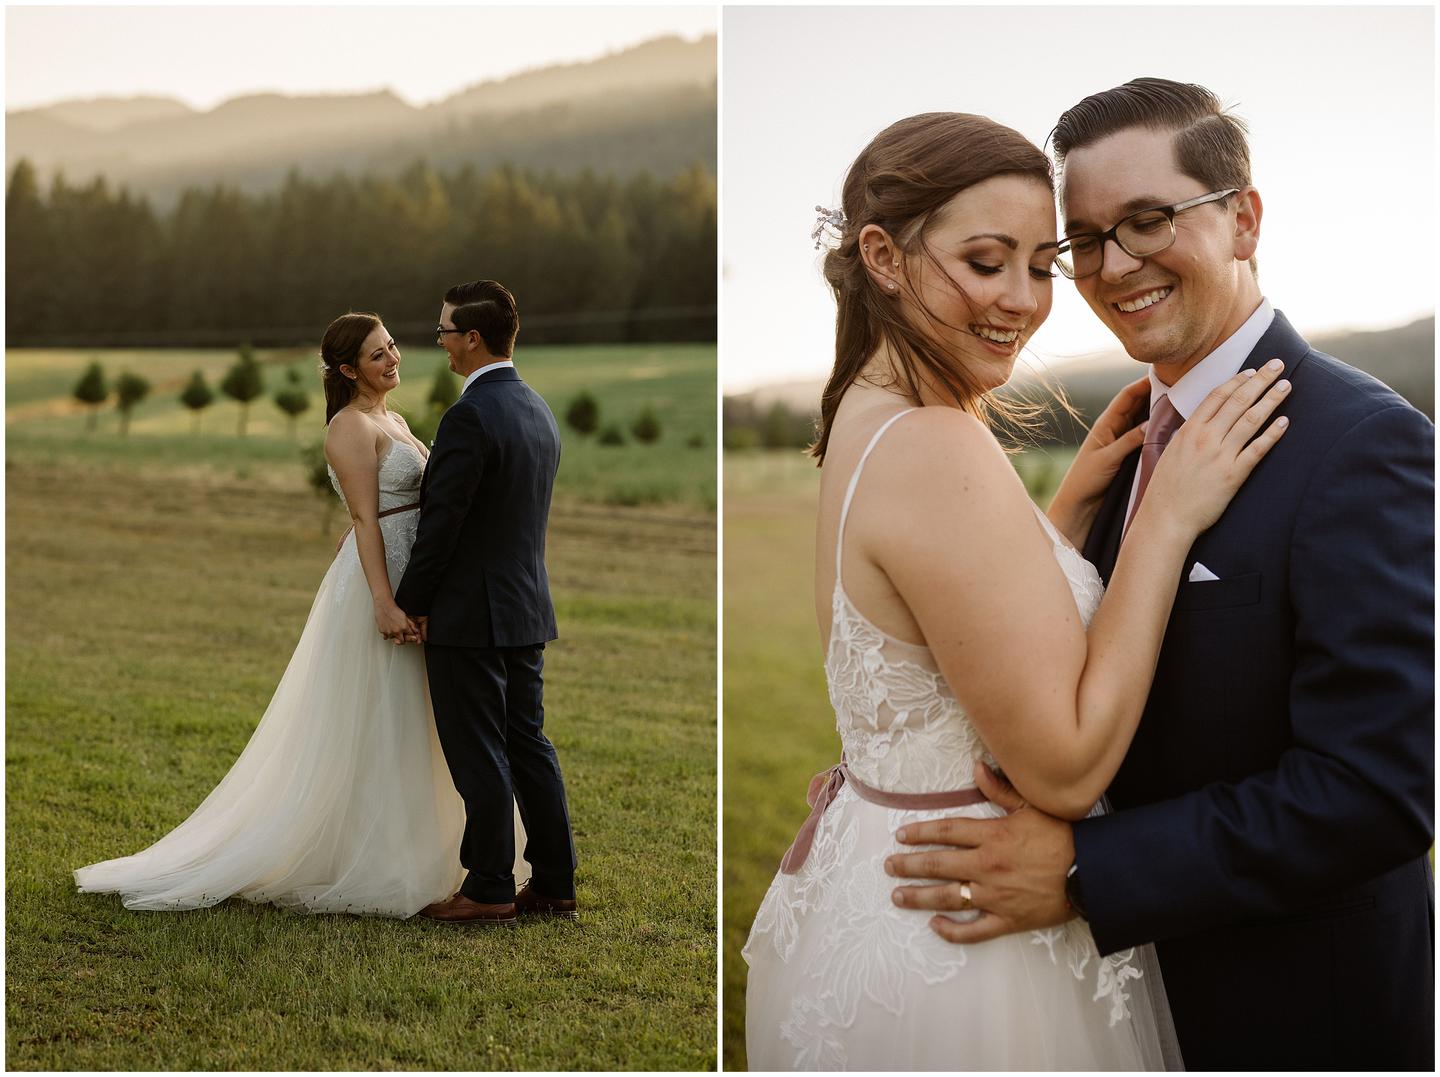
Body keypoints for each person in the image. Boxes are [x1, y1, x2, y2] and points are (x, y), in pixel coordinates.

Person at [885, 80, 1434, 1070]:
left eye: (1146, 221)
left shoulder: (1365, 444)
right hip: (1118, 1006)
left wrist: (1092, 870)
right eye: (1084, 240)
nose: (1113, 266)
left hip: (1291, 1016)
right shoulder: (1135, 440)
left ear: (1244, 218)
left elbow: (1380, 789)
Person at [742, 111, 1292, 1070]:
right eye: (988, 262)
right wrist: (1164, 517)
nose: (1025, 301)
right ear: (882, 254)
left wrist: (1061, 518)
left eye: (1044, 264)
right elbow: (1068, 768)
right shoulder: (939, 443)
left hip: (874, 895)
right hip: (968, 944)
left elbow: (934, 624)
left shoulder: (862, 419)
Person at [73, 312, 523, 916]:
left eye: (392, 347)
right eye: (376, 355)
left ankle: (439, 856)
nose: (392, 360)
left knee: (420, 724)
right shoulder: (347, 428)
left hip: (421, 586)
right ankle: (373, 861)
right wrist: (386, 602)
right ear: (346, 370)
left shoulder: (394, 419)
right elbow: (364, 521)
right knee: (379, 722)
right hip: (380, 587)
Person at [395, 280, 579, 927]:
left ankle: (492, 884)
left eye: (444, 330)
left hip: (471, 612)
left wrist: (409, 601)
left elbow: (443, 525)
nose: (440, 341)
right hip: (526, 607)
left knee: (480, 751)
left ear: (471, 337)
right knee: (529, 743)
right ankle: (554, 881)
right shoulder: (536, 408)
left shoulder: (469, 416)